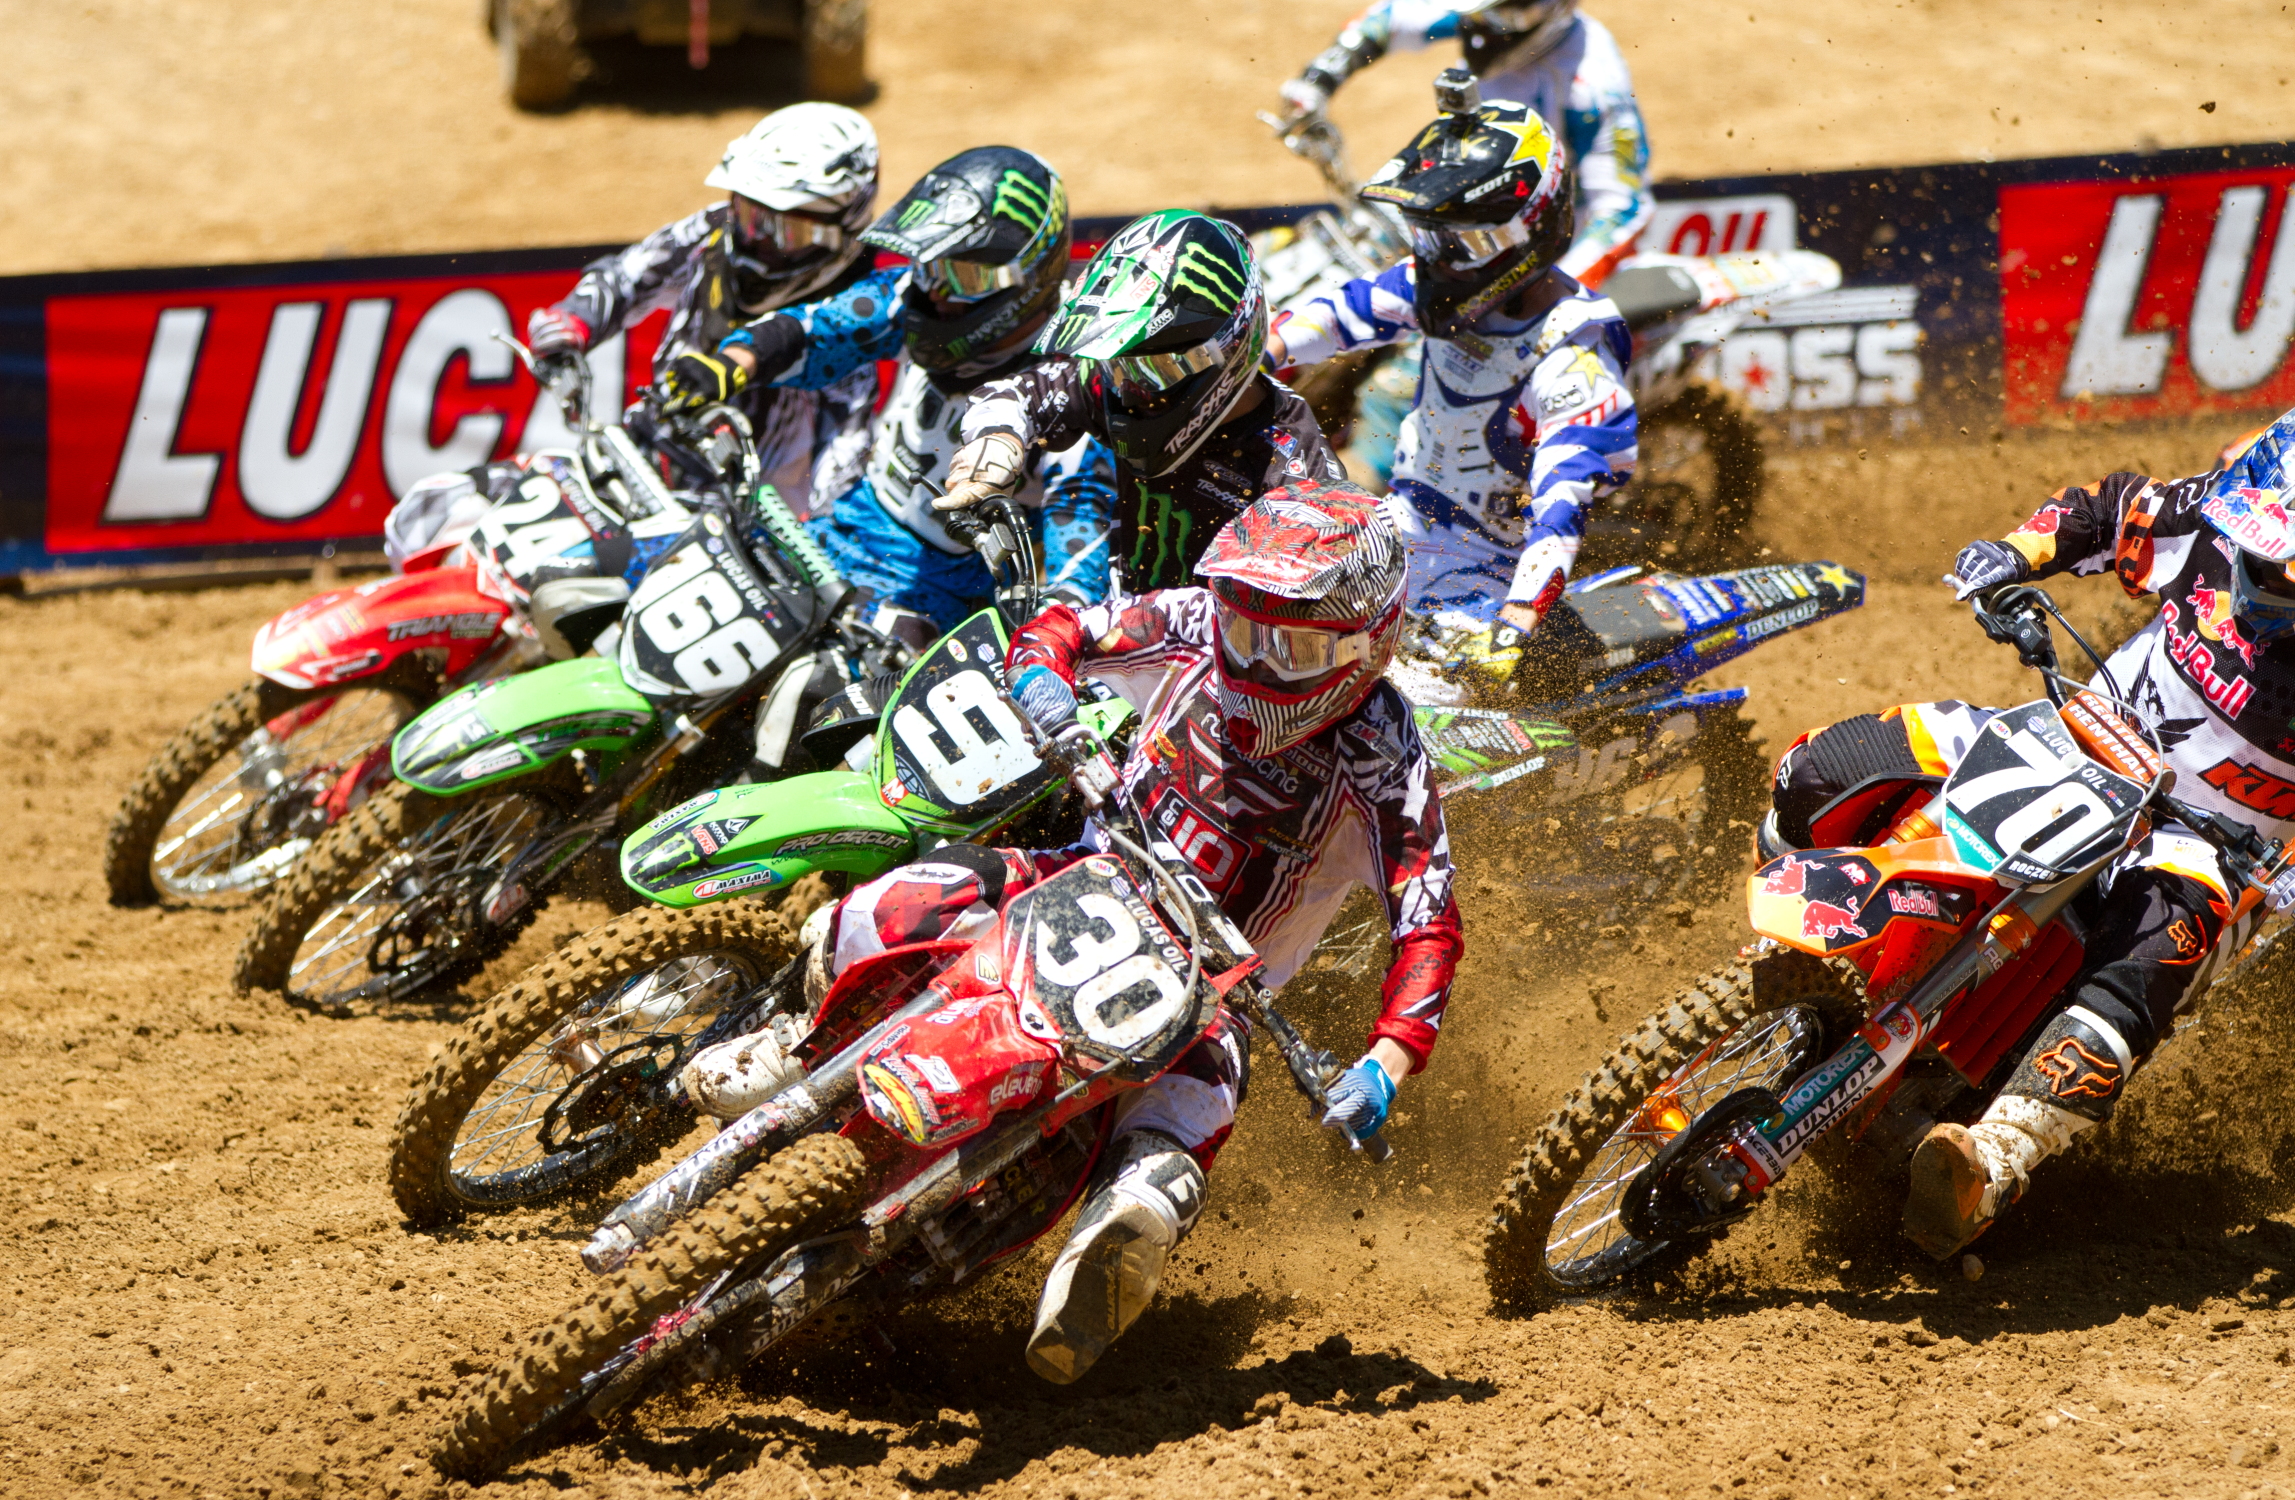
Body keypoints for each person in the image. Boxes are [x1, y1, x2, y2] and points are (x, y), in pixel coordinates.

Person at [678, 480, 1464, 1380]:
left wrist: (1380, 1067)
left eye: (1287, 647)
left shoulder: (1385, 758)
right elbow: (1061, 629)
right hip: (1077, 873)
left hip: (1209, 994)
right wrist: (1046, 693)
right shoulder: (1194, 621)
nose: (1251, 659)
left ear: (1365, 644)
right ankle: (800, 1045)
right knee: (883, 908)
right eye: (1244, 630)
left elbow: (1428, 925)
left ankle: (1108, 1253)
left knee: (1178, 1133)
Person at [1764, 407, 2295, 1258]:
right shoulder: (2217, 524)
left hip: (2210, 846)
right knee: (1822, 768)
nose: (2262, 584)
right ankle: (1784, 964)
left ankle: (1991, 1162)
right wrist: (2011, 555)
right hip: (2072, 735)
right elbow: (2109, 509)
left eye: (2286, 576)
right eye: (2261, 561)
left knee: (2155, 953)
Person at [1267, 84, 1636, 660]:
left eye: (1463, 241)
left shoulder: (1571, 357)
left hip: (1485, 580)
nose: (1440, 258)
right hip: (1395, 535)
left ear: (1528, 229)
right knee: (1266, 611)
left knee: (1401, 702)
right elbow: (1344, 313)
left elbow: (1562, 501)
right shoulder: (1434, 284)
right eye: (1430, 235)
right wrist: (1251, 354)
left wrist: (1517, 620)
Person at [697, 146, 1115, 642]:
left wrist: (1060, 618)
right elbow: (816, 327)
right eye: (930, 266)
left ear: (1027, 275)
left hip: (945, 599)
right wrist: (727, 363)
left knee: (814, 682)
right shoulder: (910, 298)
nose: (936, 291)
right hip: (845, 525)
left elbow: (1081, 520)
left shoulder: (1071, 382)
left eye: (962, 275)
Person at [933, 211, 1349, 596]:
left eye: (1155, 369)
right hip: (1113, 622)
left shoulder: (1295, 468)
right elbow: (1017, 392)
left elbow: (1304, 611)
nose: (1130, 388)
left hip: (1209, 644)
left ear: (1225, 348)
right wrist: (998, 443)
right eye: (1119, 365)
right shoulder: (1111, 386)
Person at [524, 103, 882, 517]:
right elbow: (627, 275)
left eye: (784, 231)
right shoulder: (714, 231)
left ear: (843, 229)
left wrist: (821, 530)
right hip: (637, 455)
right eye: (749, 216)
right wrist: (574, 320)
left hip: (740, 522)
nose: (755, 240)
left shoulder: (849, 322)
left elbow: (844, 456)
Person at [1274, 0, 1651, 290]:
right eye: (1476, 15)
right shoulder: (1491, 11)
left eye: (1494, 19)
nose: (1476, 31)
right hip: (1461, 205)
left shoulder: (1593, 90)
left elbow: (1622, 211)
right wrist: (1318, 80)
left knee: (1413, 366)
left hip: (1541, 251)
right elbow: (1391, 19)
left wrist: (1551, 288)